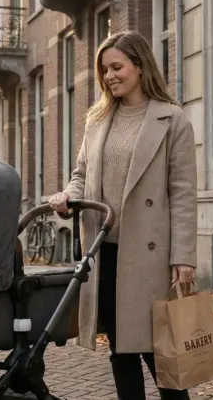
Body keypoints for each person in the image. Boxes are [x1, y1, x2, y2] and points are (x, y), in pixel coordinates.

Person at [49, 30, 197, 400]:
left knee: (159, 352)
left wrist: (183, 256)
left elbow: (182, 193)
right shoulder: (98, 119)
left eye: (117, 67)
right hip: (105, 252)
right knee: (121, 348)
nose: (110, 76)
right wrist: (69, 195)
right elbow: (81, 174)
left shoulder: (172, 120)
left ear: (140, 65)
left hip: (150, 254)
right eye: (104, 70)